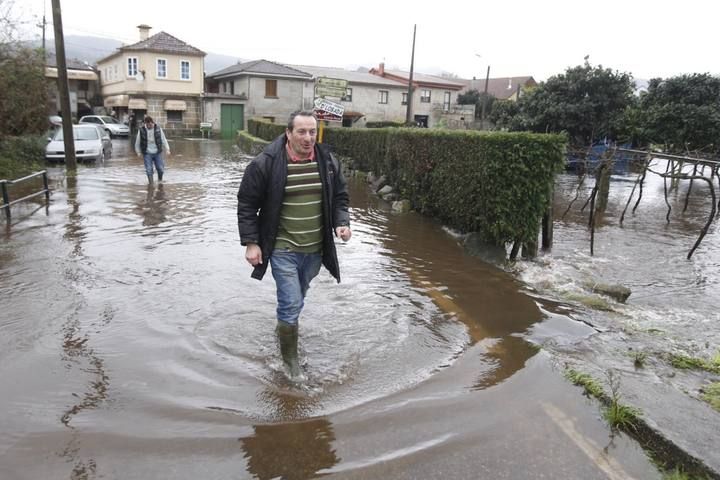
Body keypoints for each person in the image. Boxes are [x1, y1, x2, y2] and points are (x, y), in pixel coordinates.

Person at [237, 110, 351, 379]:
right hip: (282, 248)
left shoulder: (328, 162)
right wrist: (252, 243)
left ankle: (283, 330)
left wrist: (341, 222)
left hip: (315, 250)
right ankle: (291, 364)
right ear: (288, 133)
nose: (308, 137)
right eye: (301, 131)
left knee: (298, 297)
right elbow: (247, 204)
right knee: (290, 302)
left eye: (312, 131)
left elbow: (340, 197)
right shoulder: (266, 163)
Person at [135, 115, 170, 184]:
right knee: (149, 170)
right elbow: (137, 142)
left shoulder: (158, 129)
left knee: (160, 169)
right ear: (145, 124)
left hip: (157, 152)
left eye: (150, 124)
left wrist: (167, 149)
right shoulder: (141, 130)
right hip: (147, 153)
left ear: (152, 123)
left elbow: (163, 139)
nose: (149, 126)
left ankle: (160, 181)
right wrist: (138, 152)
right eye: (147, 125)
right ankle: (151, 185)